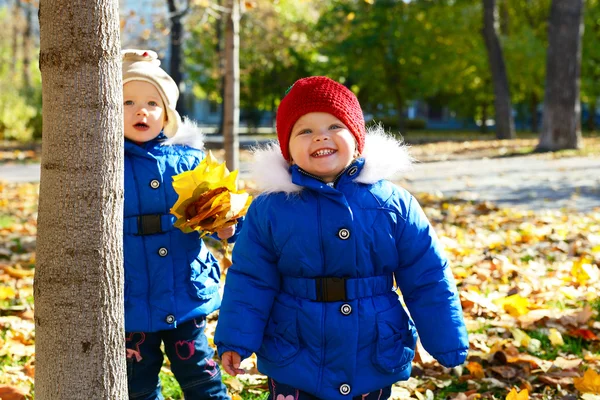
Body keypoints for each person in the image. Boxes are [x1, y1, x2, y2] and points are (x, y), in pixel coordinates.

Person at [214, 76, 469, 400]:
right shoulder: (272, 209)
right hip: (295, 351)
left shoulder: (393, 204)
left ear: (357, 138)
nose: (321, 136)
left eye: (335, 126)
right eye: (304, 130)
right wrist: (236, 338)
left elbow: (427, 274)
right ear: (287, 151)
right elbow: (251, 279)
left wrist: (446, 336)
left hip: (371, 349)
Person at [121, 49, 233, 400]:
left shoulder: (189, 159)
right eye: (128, 102)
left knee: (201, 375)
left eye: (153, 103)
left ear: (167, 115)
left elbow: (219, 208)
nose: (142, 111)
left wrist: (228, 226)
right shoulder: (104, 161)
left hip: (184, 293)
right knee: (137, 383)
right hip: (131, 299)